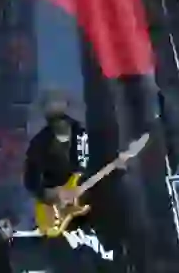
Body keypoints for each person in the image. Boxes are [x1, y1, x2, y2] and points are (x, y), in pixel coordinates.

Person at [22, 94, 121, 272]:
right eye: (53, 113)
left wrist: (115, 164)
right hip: (62, 212)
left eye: (60, 110)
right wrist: (52, 194)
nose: (59, 117)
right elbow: (30, 181)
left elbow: (95, 162)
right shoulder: (39, 145)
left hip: (94, 199)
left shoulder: (82, 134)